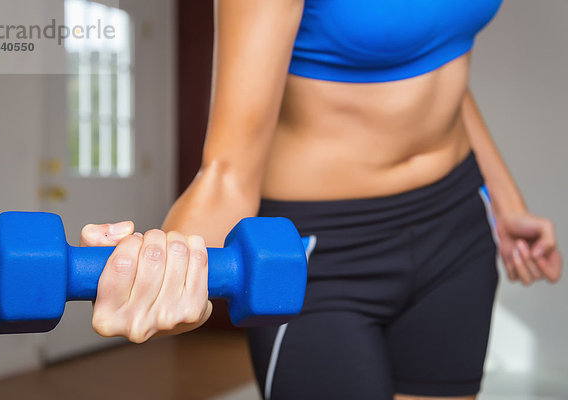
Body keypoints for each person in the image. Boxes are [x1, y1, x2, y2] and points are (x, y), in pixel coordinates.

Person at [80, 1, 563, 399]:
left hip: (455, 225)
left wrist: (505, 199)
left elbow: (434, 56)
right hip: (317, 256)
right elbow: (228, 172)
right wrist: (169, 268)